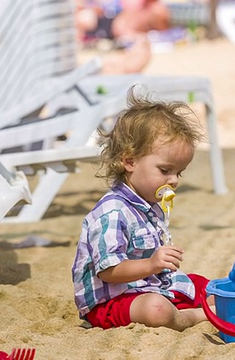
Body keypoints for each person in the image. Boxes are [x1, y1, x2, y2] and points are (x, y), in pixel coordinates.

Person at [71, 86, 211, 331]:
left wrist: (155, 268)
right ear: (130, 161)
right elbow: (109, 271)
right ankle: (197, 317)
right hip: (110, 301)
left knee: (208, 287)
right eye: (165, 170)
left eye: (179, 172)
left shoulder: (149, 203)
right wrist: (152, 264)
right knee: (157, 309)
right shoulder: (112, 212)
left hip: (147, 286)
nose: (175, 180)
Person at [74, 0, 171, 74]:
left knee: (84, 19)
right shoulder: (144, 10)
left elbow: (121, 29)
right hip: (109, 22)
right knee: (84, 18)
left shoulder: (146, 15)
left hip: (109, 27)